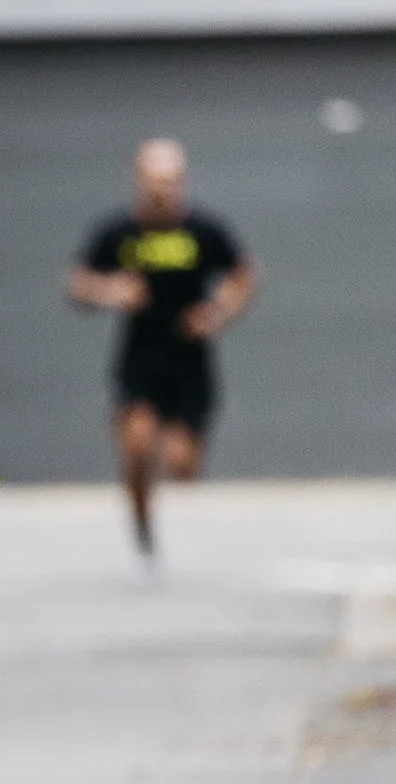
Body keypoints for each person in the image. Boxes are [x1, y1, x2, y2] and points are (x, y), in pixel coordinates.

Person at [67, 139, 259, 561]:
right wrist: (111, 291)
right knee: (136, 448)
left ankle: (164, 476)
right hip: (140, 358)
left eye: (169, 182)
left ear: (182, 183)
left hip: (190, 361)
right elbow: (78, 283)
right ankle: (141, 522)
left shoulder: (204, 232)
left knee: (181, 467)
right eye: (153, 182)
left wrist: (218, 311)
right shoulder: (118, 233)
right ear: (138, 182)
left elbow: (242, 277)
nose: (161, 191)